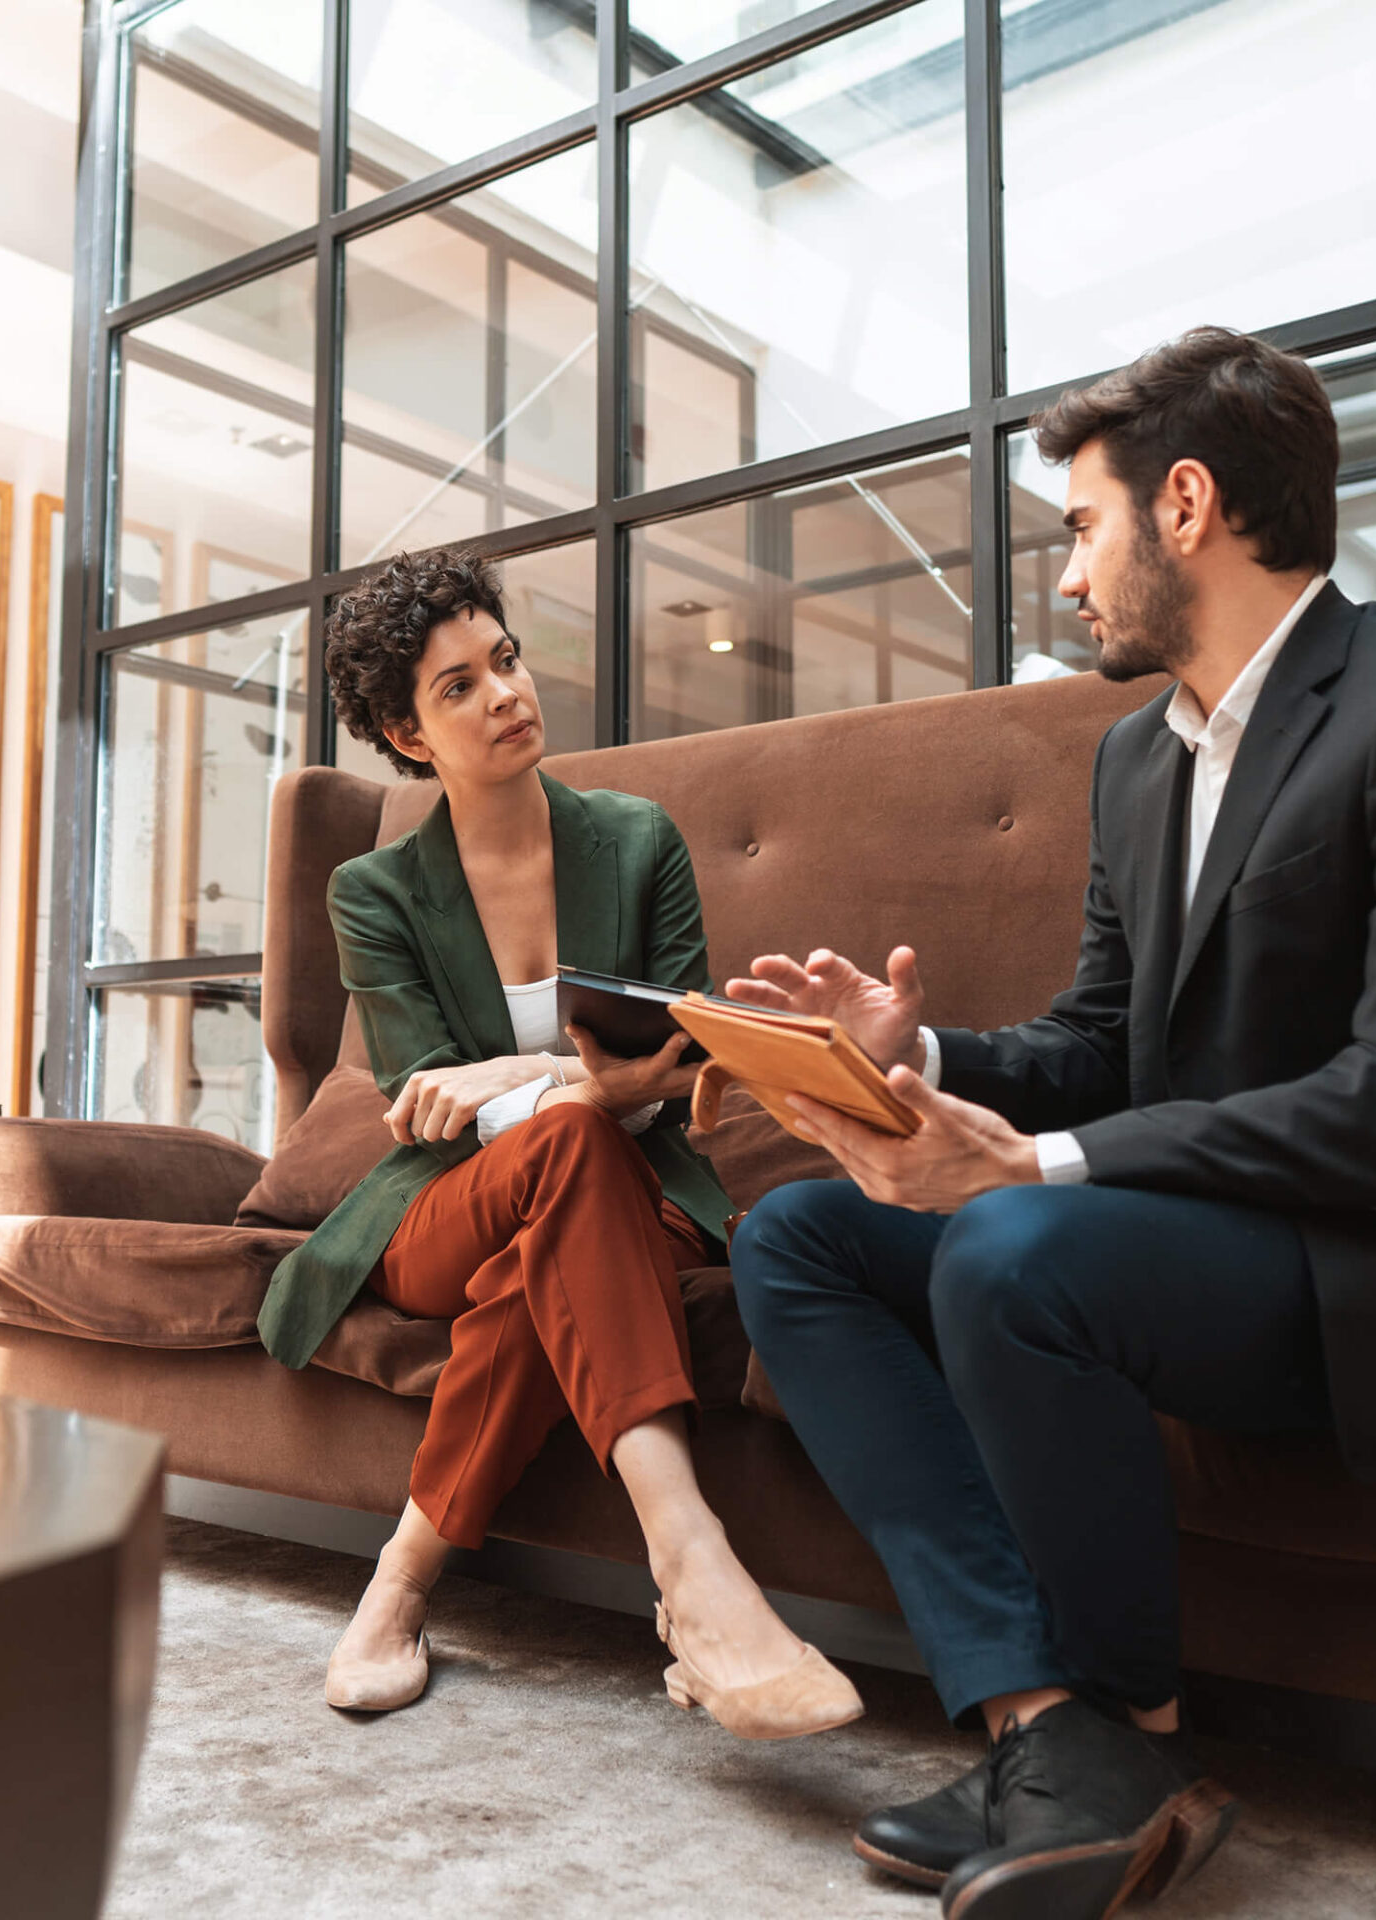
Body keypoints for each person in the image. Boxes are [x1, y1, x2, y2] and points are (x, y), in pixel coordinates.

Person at [724, 327, 1376, 1918]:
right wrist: (923, 1048)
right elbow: (1111, 1041)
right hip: (1173, 1241)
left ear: (1186, 505)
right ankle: (1061, 1735)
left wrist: (1031, 1162)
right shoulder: (1136, 759)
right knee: (801, 1238)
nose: (1068, 579)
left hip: (1371, 1263)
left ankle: (1131, 1730)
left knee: (1009, 1249)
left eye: (1080, 528)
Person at [261, 546, 862, 1740]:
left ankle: (403, 1582)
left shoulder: (637, 842)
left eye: (506, 661)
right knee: (567, 1153)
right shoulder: (374, 891)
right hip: (445, 1206)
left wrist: (526, 1076)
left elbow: (690, 1057)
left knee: (555, 1233)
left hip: (637, 1185)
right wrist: (570, 1083)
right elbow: (428, 1104)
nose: (505, 696)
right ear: (407, 733)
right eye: (459, 688)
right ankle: (690, 1565)